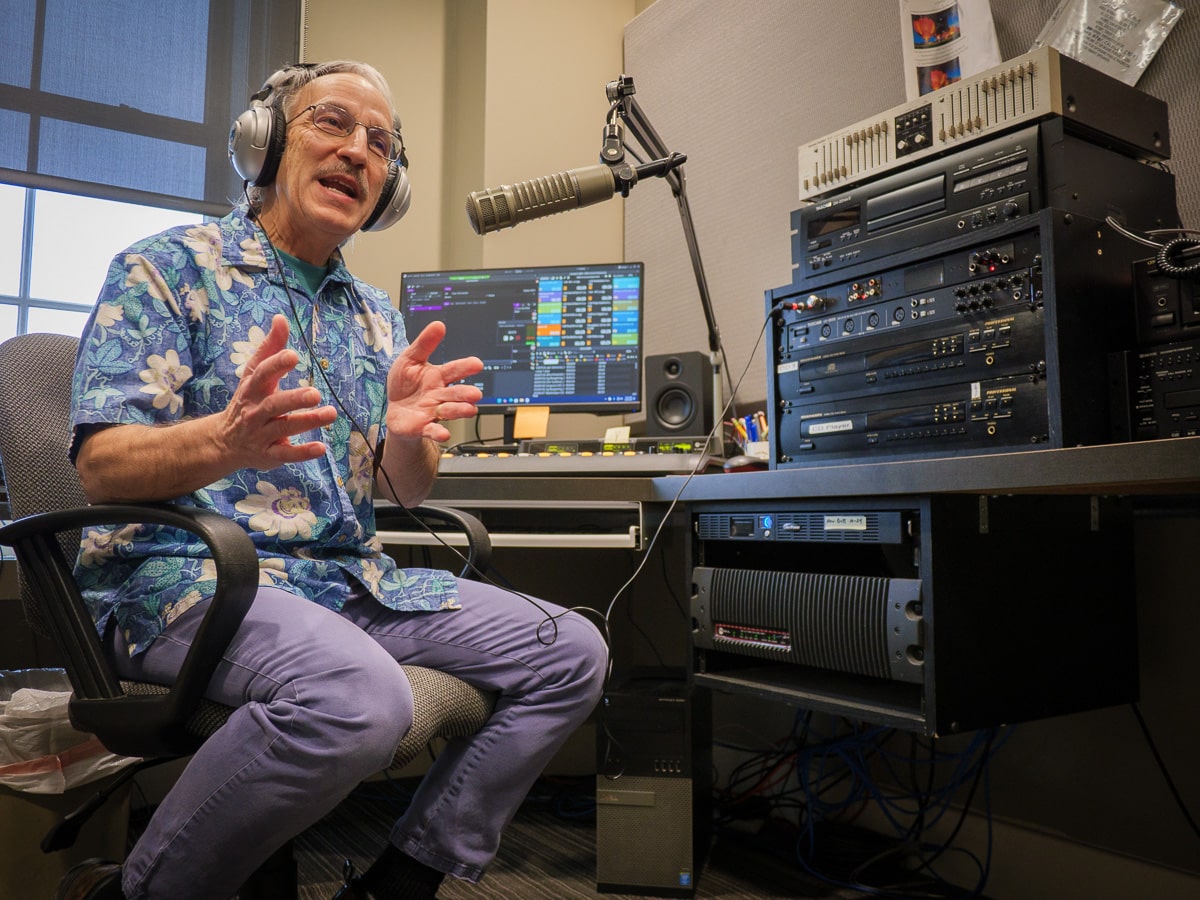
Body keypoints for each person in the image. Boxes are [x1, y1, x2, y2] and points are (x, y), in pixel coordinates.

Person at [54, 60, 609, 900]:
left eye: (381, 144)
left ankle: (404, 880)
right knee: (360, 698)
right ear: (266, 142)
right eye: (333, 123)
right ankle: (136, 891)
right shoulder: (165, 269)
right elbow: (100, 468)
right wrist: (227, 441)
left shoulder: (375, 314)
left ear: (389, 188)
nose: (358, 151)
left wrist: (408, 439)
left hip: (346, 585)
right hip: (192, 582)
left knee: (570, 650)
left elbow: (407, 493)